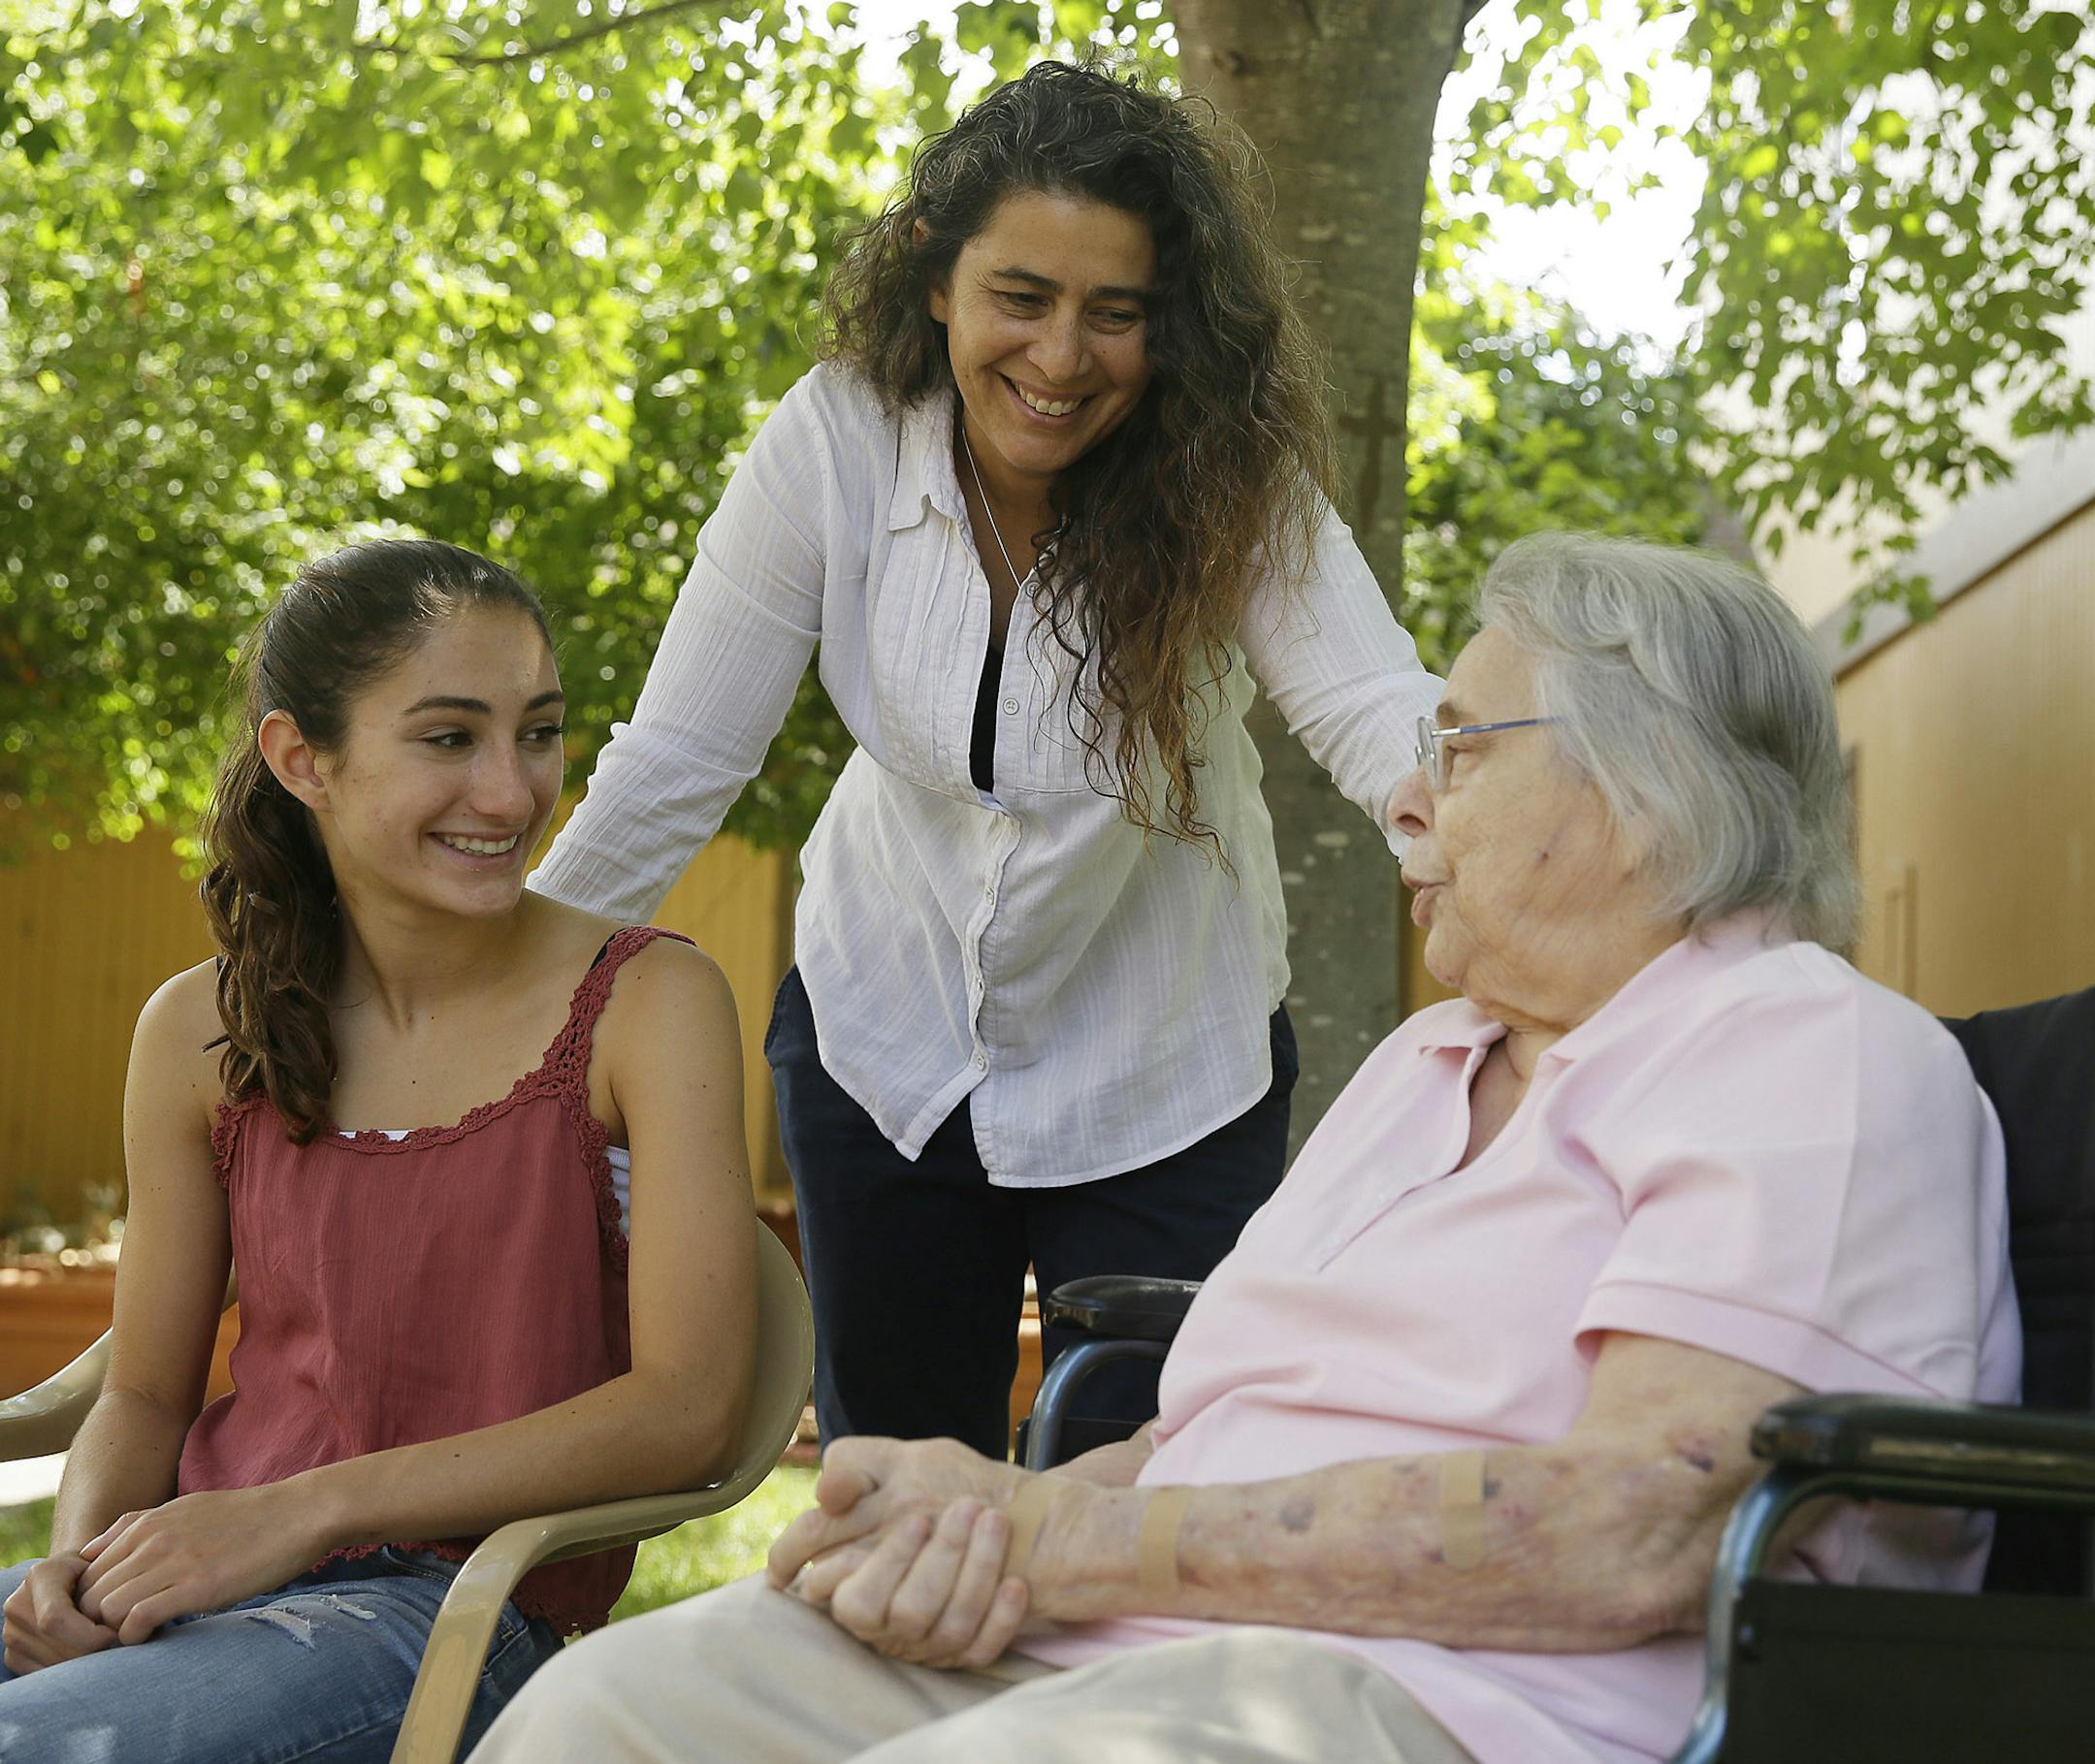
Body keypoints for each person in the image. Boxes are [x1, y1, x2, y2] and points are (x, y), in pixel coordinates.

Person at [468, 534, 2019, 1764]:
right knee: (626, 1710)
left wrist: (1067, 1537)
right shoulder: (1431, 1060)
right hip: (1127, 1639)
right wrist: (989, 1524)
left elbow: (1640, 1527)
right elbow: (1224, 1416)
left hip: (1450, 1703)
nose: (1410, 799)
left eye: (1464, 747)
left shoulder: (1807, 1051)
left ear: (1644, 783)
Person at [527, 60, 1439, 1459]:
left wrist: (1517, 842)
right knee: (896, 1488)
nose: (1063, 357)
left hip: (1166, 1072)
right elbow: (672, 766)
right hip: (879, 1045)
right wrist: (487, 1016)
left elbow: (1376, 705)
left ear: (1169, 322)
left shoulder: (1227, 471)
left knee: (1138, 1509)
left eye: (1115, 312)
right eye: (1022, 296)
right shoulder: (834, 440)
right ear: (935, 275)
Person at [0, 540, 759, 1761]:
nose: (512, 795)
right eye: (451, 738)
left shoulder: (648, 1002)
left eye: (539, 731)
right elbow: (143, 1390)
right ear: (303, 758)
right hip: (199, 1569)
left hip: (450, 1617)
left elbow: (690, 1409)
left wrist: (298, 1515)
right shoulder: (199, 1028)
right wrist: (77, 1568)